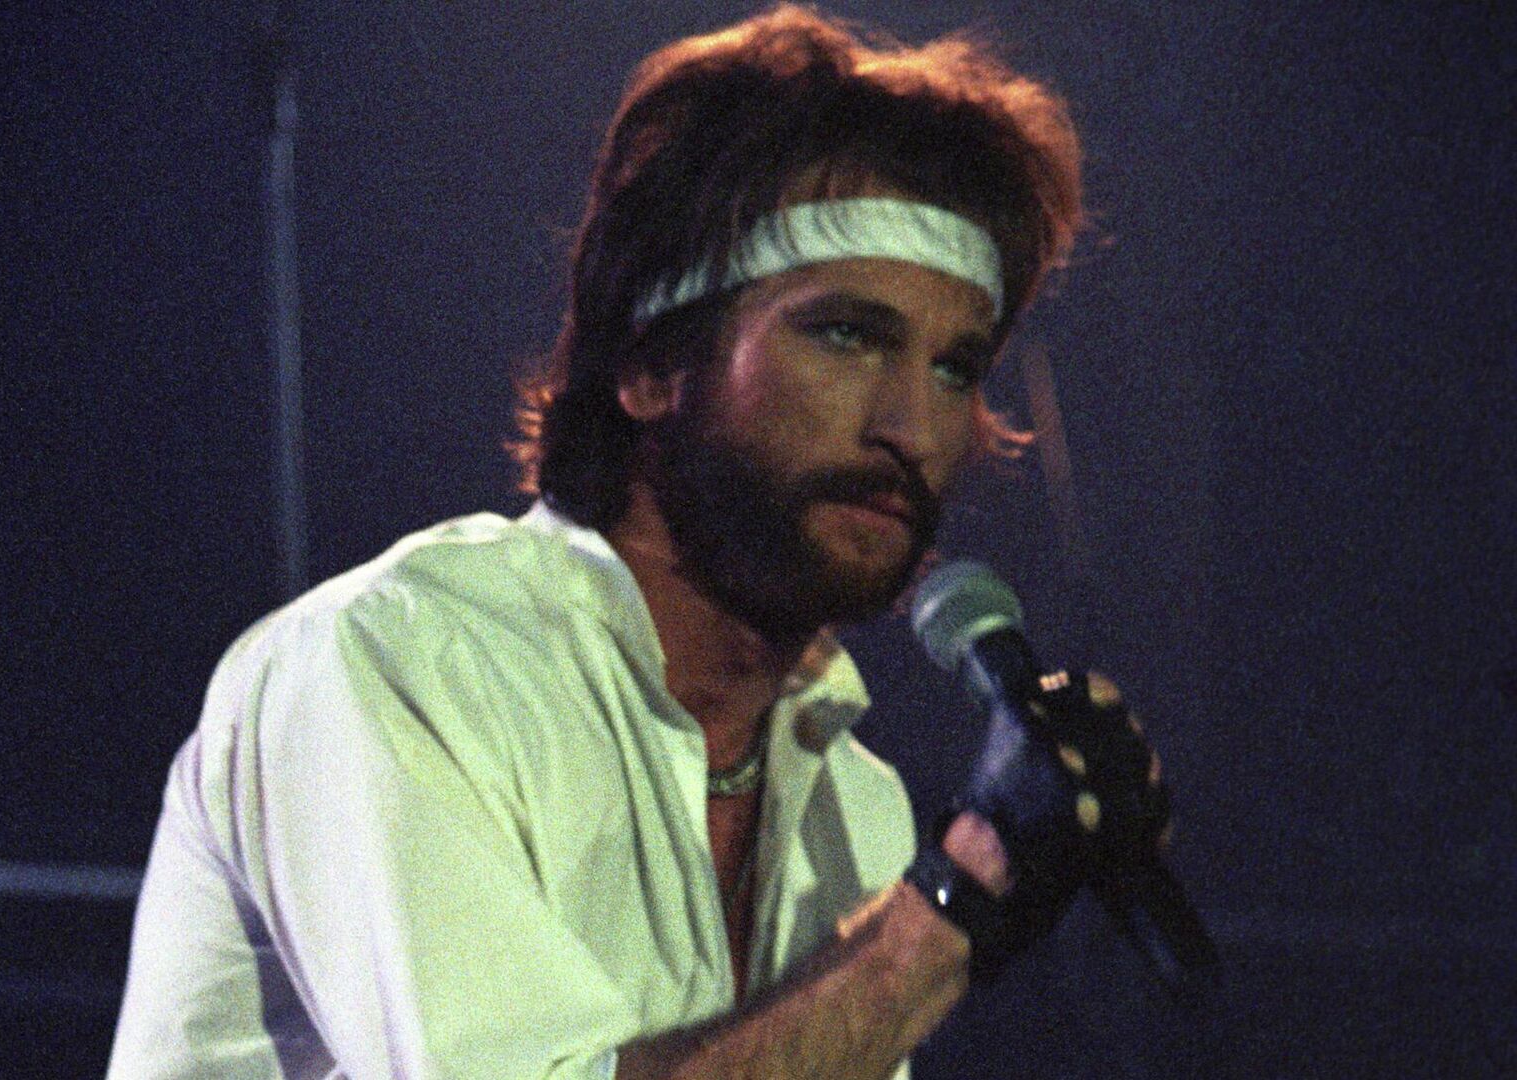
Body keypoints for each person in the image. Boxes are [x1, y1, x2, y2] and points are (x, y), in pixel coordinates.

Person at [108, 5, 1172, 1077]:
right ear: (653, 365)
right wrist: (948, 913)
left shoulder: (851, 805)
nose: (915, 427)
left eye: (955, 368)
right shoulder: (400, 665)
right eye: (848, 334)